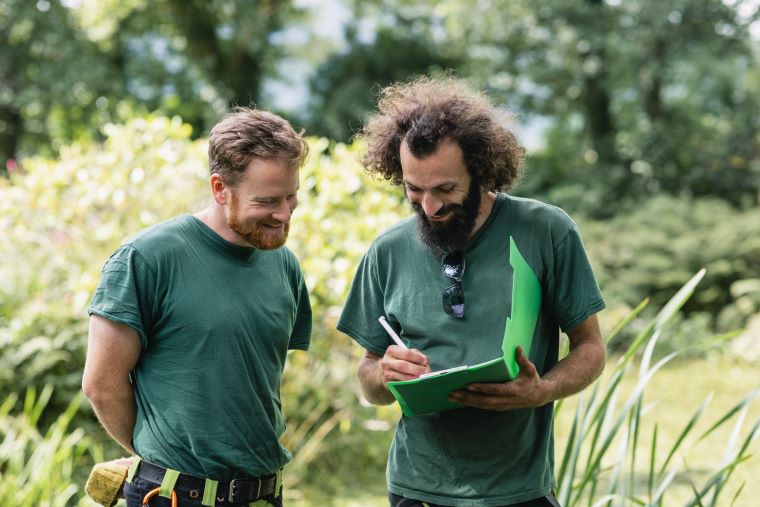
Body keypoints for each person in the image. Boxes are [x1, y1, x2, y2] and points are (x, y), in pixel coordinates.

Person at [337, 76, 607, 507]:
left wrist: (543, 390)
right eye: (414, 189)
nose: (429, 206)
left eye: (445, 189)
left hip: (519, 491)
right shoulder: (386, 252)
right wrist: (384, 375)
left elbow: (591, 348)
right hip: (415, 490)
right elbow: (368, 377)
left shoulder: (547, 232)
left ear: (481, 170)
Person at [82, 107, 312, 507]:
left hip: (264, 494)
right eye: (268, 201)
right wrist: (158, 460)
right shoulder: (147, 258)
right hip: (171, 495)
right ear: (220, 189)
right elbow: (101, 385)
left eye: (291, 196)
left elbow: (251, 378)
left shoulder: (284, 265)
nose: (284, 213)